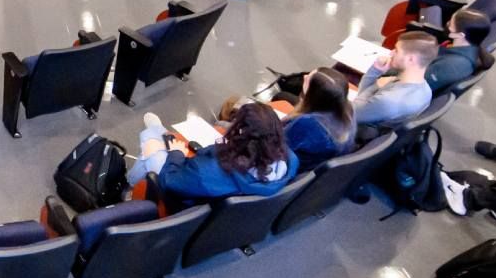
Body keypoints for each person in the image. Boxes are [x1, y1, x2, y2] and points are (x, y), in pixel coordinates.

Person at [128, 103, 297, 202]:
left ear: (240, 133)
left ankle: (127, 186)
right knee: (162, 140)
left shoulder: (206, 172)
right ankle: (160, 132)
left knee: (150, 141)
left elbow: (169, 181)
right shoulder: (290, 161)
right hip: (218, 204)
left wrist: (176, 154)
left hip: (184, 198)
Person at [353, 33, 437, 128]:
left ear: (410, 59)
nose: (391, 53)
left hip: (356, 130)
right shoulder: (426, 90)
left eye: (396, 50)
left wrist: (375, 81)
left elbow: (352, 113)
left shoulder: (388, 101)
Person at [283, 68, 357, 168]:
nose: (304, 77)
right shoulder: (348, 109)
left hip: (299, 166)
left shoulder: (307, 124)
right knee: (283, 96)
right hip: (322, 159)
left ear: (314, 94)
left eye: (308, 79)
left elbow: (278, 144)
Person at [428, 8, 493, 93]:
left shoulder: (451, 67)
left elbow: (418, 85)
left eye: (450, 24)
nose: (447, 24)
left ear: (460, 35)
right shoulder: (469, 47)